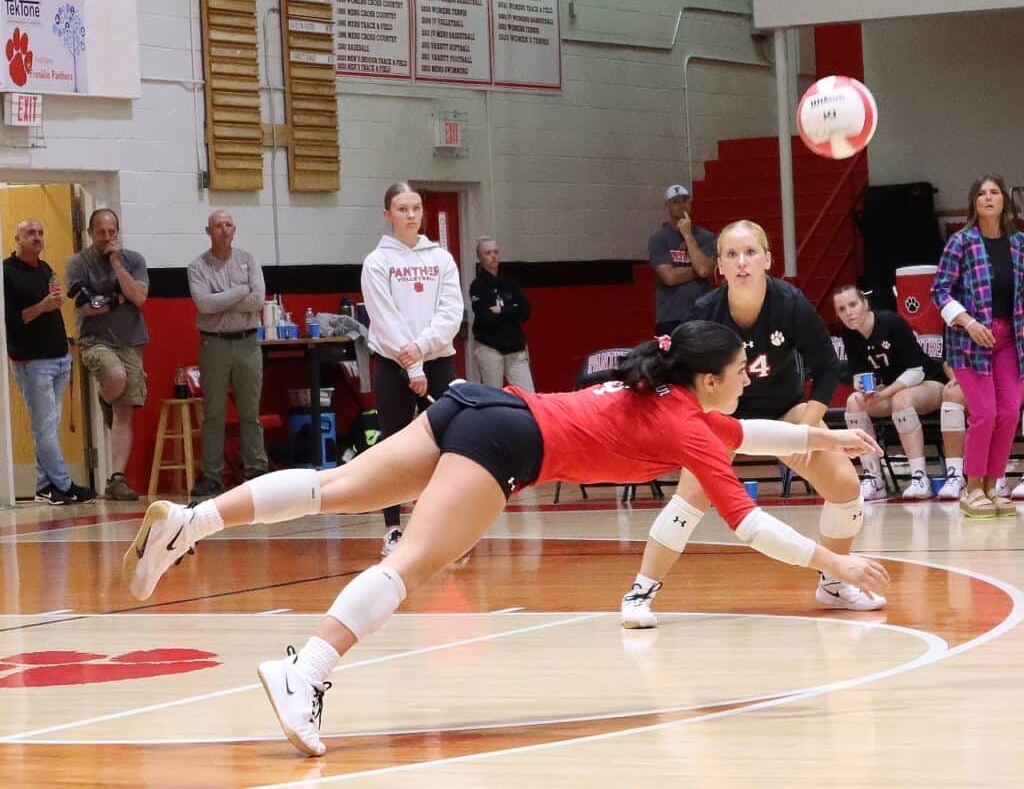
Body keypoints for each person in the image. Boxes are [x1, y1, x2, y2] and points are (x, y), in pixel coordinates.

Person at [123, 320, 889, 757]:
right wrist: (833, 559)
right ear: (708, 378)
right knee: (415, 560)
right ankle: (306, 670)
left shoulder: (665, 393)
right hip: (509, 444)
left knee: (335, 485)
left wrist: (825, 444)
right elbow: (749, 523)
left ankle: (196, 521)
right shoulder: (685, 422)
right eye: (738, 371)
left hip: (477, 404)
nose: (748, 378)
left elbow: (741, 431)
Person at [620, 220, 884, 629]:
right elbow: (684, 380)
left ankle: (833, 583)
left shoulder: (789, 303)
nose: (741, 262)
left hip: (783, 409)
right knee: (691, 497)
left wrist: (809, 428)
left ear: (767, 259)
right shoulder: (706, 314)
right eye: (730, 255)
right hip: (721, 416)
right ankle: (640, 592)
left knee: (846, 484)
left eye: (750, 253)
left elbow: (828, 366)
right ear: (719, 268)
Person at [360, 182, 463, 556]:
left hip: (437, 361)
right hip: (394, 367)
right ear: (388, 214)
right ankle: (392, 529)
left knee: (445, 443)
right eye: (402, 209)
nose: (411, 216)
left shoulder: (441, 258)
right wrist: (412, 366)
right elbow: (385, 320)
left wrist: (421, 349)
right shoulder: (377, 262)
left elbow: (451, 314)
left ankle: (438, 525)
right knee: (394, 446)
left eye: (416, 208)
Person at [931, 173, 1024, 517]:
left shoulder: (1019, 244)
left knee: (1010, 412)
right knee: (984, 413)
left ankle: (992, 485)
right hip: (970, 342)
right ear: (974, 202)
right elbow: (939, 291)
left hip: (1011, 340)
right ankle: (972, 489)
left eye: (995, 192)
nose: (988, 198)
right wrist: (968, 322)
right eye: (982, 193)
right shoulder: (961, 242)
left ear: (1004, 201)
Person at [3, 219, 96, 505]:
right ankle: (64, 484)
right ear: (17, 237)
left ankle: (45, 485)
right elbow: (11, 321)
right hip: (32, 361)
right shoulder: (6, 273)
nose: (38, 237)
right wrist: (43, 306)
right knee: (44, 425)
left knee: (50, 425)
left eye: (41, 233)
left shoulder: (45, 269)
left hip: (59, 357)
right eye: (31, 233)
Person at [833, 284, 947, 500]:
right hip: (890, 391)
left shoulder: (890, 322)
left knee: (901, 400)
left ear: (865, 304)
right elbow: (859, 372)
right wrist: (863, 387)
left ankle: (919, 478)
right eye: (841, 309)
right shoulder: (848, 333)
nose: (849, 312)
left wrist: (884, 394)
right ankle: (873, 479)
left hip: (928, 383)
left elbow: (916, 371)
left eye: (853, 304)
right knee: (854, 402)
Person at [65, 208, 149, 501]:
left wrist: (116, 263)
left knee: (124, 413)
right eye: (101, 232)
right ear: (91, 233)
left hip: (131, 341)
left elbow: (138, 297)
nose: (107, 237)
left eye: (112, 232)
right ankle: (105, 396)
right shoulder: (78, 263)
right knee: (115, 376)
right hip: (94, 340)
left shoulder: (133, 260)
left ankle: (117, 478)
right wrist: (118, 299)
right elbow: (87, 306)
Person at [187, 210, 269, 497]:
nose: (223, 230)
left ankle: (256, 469)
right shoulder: (198, 266)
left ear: (234, 229)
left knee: (250, 410)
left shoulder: (248, 259)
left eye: (228, 225)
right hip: (214, 344)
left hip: (248, 342)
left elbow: (258, 299)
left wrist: (225, 298)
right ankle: (211, 475)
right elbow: (205, 305)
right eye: (217, 226)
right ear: (208, 231)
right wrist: (240, 291)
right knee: (214, 412)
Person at [649, 183, 717, 334]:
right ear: (667, 206)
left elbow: (704, 270)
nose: (681, 206)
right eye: (675, 202)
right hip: (670, 316)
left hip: (702, 314)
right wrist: (698, 270)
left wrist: (688, 235)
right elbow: (669, 277)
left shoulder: (706, 237)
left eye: (685, 201)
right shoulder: (658, 238)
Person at [469, 237, 535, 392]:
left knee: (528, 395)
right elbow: (487, 318)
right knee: (494, 398)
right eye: (488, 253)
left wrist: (502, 310)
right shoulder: (477, 286)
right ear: (480, 257)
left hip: (515, 349)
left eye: (496, 252)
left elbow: (525, 311)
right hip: (490, 349)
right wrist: (513, 310)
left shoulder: (510, 282)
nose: (493, 256)